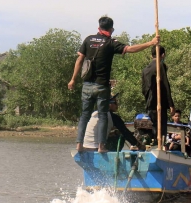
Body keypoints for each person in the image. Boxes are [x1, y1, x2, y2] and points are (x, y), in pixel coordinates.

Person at [68, 16, 159, 153]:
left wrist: (73, 79)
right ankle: (101, 146)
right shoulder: (110, 42)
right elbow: (130, 49)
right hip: (101, 86)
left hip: (87, 85)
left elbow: (80, 59)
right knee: (103, 115)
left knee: (85, 115)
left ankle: (79, 144)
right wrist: (151, 43)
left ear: (99, 27)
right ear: (111, 29)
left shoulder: (88, 39)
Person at [141, 45, 175, 144]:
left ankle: (153, 144)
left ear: (152, 55)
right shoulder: (160, 65)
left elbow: (143, 89)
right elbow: (165, 85)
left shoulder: (145, 69)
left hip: (149, 103)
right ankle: (160, 146)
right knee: (161, 129)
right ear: (163, 55)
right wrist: (171, 104)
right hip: (159, 103)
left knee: (153, 128)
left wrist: (148, 99)